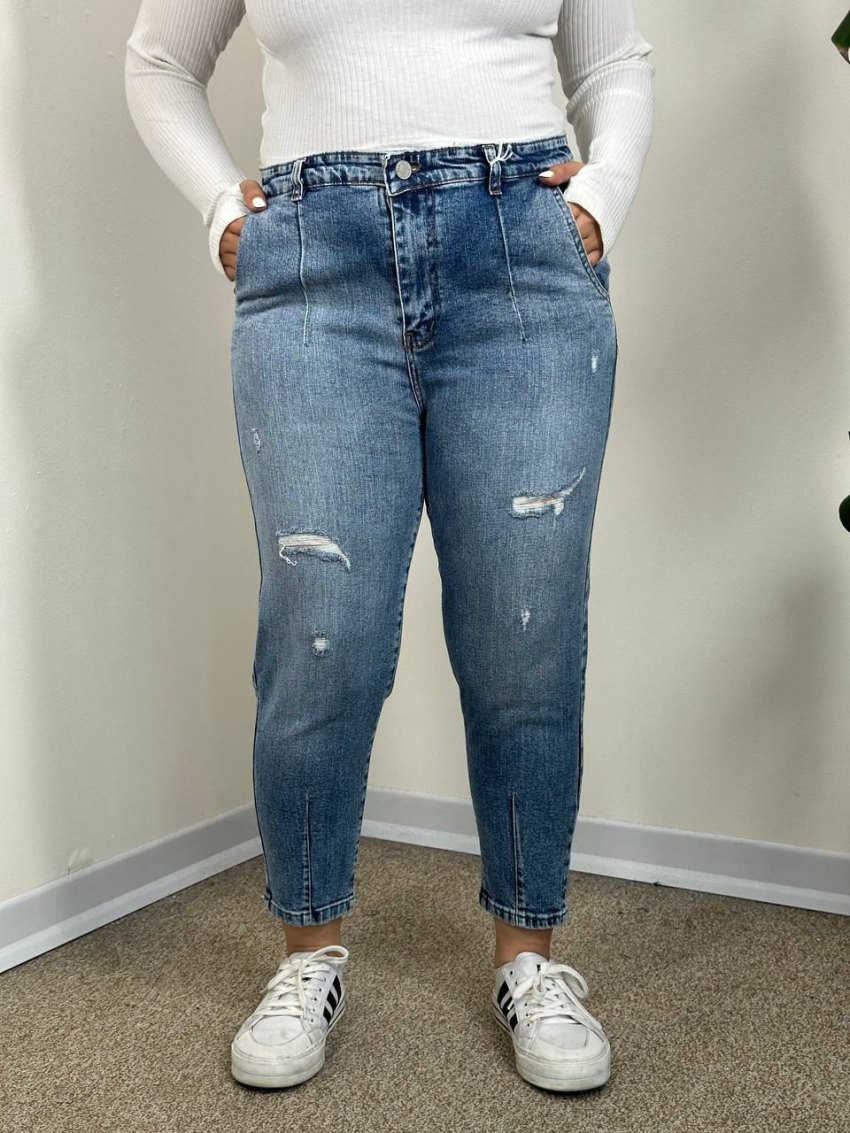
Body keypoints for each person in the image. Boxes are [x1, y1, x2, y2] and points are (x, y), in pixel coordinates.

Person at [124, 0, 654, 1095]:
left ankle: (529, 957)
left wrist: (601, 194)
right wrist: (222, 207)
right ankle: (307, 952)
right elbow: (159, 60)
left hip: (521, 259)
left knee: (524, 630)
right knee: (321, 634)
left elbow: (615, 62)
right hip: (313, 273)